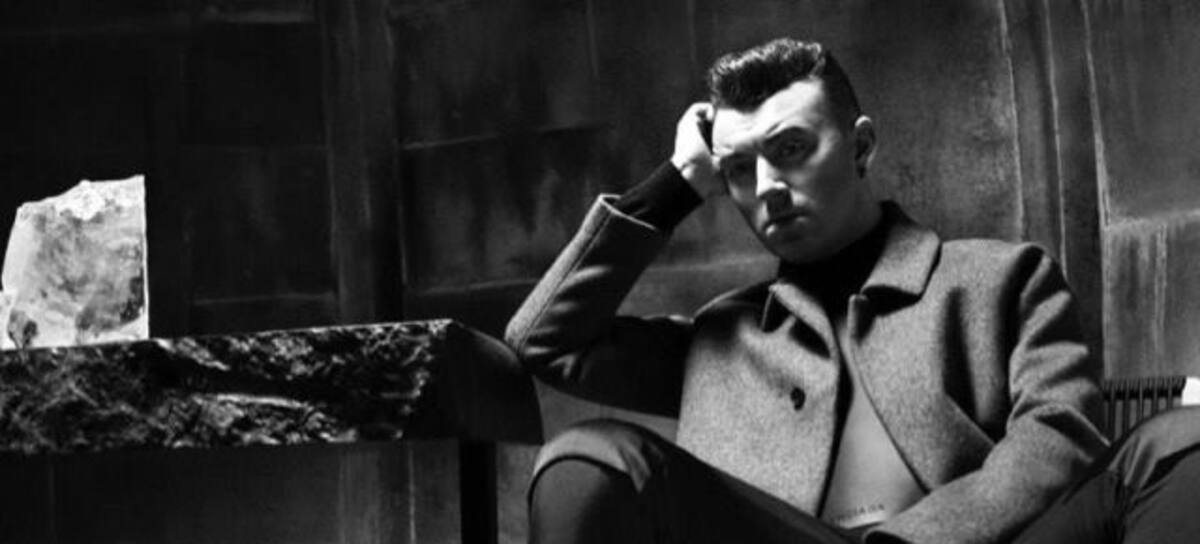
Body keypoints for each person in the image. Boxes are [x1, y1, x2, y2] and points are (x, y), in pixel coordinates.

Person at [505, 37, 1200, 543]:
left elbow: (1059, 436)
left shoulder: (1000, 278)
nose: (767, 187)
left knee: (1181, 441)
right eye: (739, 169)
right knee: (586, 458)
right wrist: (678, 183)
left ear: (861, 146)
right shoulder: (716, 340)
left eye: (790, 149)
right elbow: (544, 340)